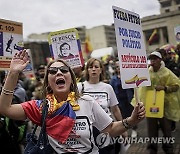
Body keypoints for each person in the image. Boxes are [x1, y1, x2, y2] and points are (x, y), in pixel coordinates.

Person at [0, 50, 145, 154]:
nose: (58, 73)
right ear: (48, 83)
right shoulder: (41, 107)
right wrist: (13, 73)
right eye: (53, 71)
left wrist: (131, 120)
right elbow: (5, 108)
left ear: (71, 78)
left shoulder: (87, 102)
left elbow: (111, 129)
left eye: (64, 70)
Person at [77, 58, 126, 154]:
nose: (93, 69)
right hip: (87, 132)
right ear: (87, 70)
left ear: (101, 70)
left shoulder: (107, 87)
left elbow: (115, 109)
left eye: (96, 67)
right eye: (90, 67)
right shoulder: (79, 87)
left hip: (107, 130)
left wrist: (122, 128)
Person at [135, 51, 180, 154]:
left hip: (164, 106)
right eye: (151, 59)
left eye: (155, 59)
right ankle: (152, 150)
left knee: (166, 130)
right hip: (151, 106)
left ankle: (168, 149)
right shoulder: (147, 72)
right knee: (152, 131)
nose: (153, 61)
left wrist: (164, 88)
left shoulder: (167, 72)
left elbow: (176, 85)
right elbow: (140, 86)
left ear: (160, 60)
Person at [110, 61, 138, 138]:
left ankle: (134, 130)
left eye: (120, 67)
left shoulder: (128, 77)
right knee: (122, 116)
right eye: (117, 67)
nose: (119, 69)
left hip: (128, 99)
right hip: (119, 101)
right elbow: (111, 90)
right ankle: (123, 131)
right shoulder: (113, 79)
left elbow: (133, 88)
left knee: (131, 115)